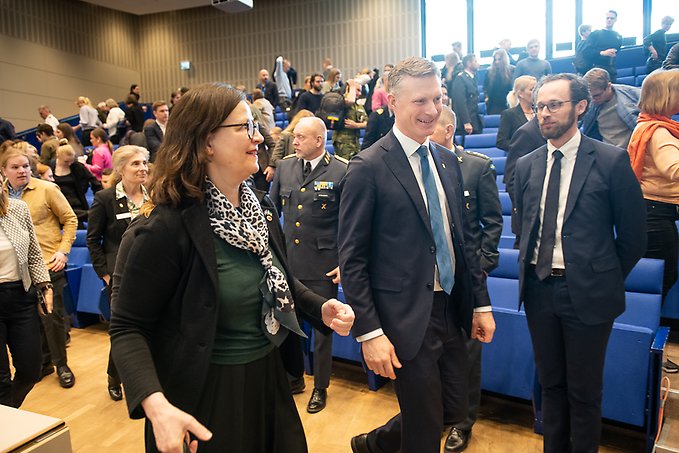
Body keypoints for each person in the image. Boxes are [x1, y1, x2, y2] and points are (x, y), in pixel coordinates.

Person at [109, 82, 354, 453]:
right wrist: (156, 406)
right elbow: (128, 327)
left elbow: (277, 280)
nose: (258, 137)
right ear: (207, 141)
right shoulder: (165, 226)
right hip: (206, 396)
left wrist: (319, 308)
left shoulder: (260, 209)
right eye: (244, 127)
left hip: (269, 379)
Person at [340, 57, 495, 453]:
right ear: (393, 102)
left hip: (452, 309)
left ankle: (374, 444)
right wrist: (370, 333)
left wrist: (480, 304)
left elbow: (464, 241)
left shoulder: (447, 160)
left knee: (449, 410)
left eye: (437, 99)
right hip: (405, 317)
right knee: (425, 429)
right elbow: (353, 260)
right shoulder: (368, 166)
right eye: (420, 101)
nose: (431, 110)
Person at [513, 73, 646, 452]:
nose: (544, 113)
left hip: (587, 293)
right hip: (539, 290)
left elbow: (634, 237)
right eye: (540, 106)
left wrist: (600, 276)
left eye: (554, 105)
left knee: (584, 392)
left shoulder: (610, 160)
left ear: (581, 106)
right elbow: (524, 226)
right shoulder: (526, 165)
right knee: (551, 385)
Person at [429, 106, 502, 452]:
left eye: (432, 127)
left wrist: (480, 268)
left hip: (466, 279)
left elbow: (492, 223)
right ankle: (436, 415)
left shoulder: (476, 166)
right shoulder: (419, 166)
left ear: (447, 130)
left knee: (467, 356)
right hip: (431, 281)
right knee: (433, 355)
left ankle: (463, 421)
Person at [270, 117, 347, 414]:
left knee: (323, 329)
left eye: (301, 137)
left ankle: (321, 387)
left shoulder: (341, 170)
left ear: (319, 140)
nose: (295, 141)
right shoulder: (286, 166)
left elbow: (350, 222)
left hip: (323, 264)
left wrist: (343, 261)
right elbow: (271, 211)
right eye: (295, 136)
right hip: (289, 261)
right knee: (288, 324)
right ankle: (294, 378)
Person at [1, 141, 78, 390]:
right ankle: (44, 362)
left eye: (25, 166)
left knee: (52, 319)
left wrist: (63, 251)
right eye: (15, 167)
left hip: (47, 263)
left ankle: (61, 365)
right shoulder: (4, 196)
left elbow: (70, 219)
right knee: (32, 325)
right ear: (4, 170)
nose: (22, 171)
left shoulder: (46, 189)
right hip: (17, 272)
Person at [87, 145, 149, 401]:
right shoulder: (105, 198)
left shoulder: (155, 195)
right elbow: (93, 240)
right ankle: (115, 376)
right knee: (124, 330)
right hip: (120, 276)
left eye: (144, 163)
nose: (143, 168)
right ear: (121, 168)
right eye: (136, 164)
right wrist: (105, 274)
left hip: (153, 272)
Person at [0, 169, 53, 408]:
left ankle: (9, 413)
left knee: (31, 371)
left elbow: (33, 252)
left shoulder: (17, 209)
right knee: (1, 381)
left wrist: (45, 286)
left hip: (21, 296)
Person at [582, 68, 640, 149]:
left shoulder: (633, 95)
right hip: (608, 152)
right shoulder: (589, 104)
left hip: (632, 150)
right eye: (590, 96)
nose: (593, 100)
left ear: (609, 86)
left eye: (597, 95)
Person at [51, 139, 102, 229]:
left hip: (77, 206)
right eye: (66, 162)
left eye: (71, 161)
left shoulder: (77, 166)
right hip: (58, 207)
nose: (70, 164)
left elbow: (95, 183)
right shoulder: (51, 167)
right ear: (58, 157)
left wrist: (99, 200)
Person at [496, 75, 537, 152]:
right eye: (532, 89)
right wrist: (522, 146)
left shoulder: (540, 112)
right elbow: (501, 142)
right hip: (521, 157)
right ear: (521, 94)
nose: (536, 93)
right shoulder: (509, 114)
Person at [332, 78, 368, 160]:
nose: (360, 93)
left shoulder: (358, 106)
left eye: (360, 91)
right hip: (342, 143)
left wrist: (356, 125)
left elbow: (367, 123)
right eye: (357, 90)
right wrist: (351, 85)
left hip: (355, 143)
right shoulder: (341, 101)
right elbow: (349, 101)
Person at [583, 10, 623, 82]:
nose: (609, 20)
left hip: (611, 71)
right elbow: (586, 52)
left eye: (612, 18)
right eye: (607, 18)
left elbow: (617, 51)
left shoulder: (618, 37)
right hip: (596, 70)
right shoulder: (595, 34)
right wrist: (602, 53)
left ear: (615, 20)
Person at [452, 54, 483, 137]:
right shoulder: (461, 78)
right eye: (475, 61)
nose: (478, 64)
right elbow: (460, 102)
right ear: (469, 63)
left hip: (474, 120)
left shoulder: (472, 78)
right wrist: (466, 122)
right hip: (465, 123)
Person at [484, 49, 514, 114]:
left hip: (508, 103)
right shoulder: (489, 72)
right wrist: (486, 97)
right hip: (493, 104)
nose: (497, 62)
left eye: (499, 59)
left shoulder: (512, 70)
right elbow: (485, 87)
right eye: (495, 60)